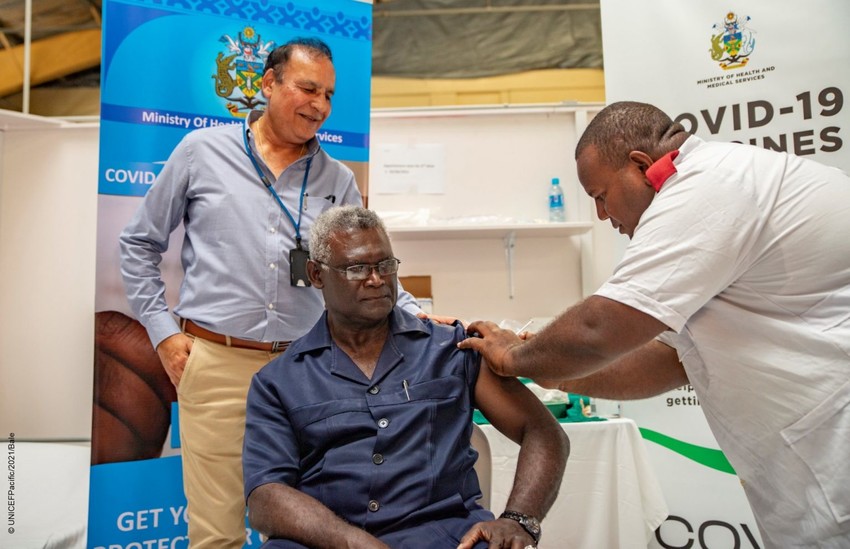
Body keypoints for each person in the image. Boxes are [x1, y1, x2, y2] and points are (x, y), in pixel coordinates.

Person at [458, 101, 850, 548]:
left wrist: (513, 356)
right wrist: (547, 370)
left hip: (834, 450)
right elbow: (666, 360)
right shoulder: (715, 207)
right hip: (805, 472)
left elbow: (599, 330)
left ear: (641, 166)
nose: (603, 216)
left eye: (600, 196)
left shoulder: (710, 185)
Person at [119, 38, 429, 548]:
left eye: (329, 94)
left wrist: (419, 315)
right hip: (217, 362)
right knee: (216, 533)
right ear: (268, 84)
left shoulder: (338, 179)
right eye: (308, 88)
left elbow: (363, 268)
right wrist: (163, 335)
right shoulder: (201, 152)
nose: (320, 105)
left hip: (312, 374)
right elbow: (138, 245)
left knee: (311, 527)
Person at [242, 205, 570, 549]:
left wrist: (519, 520)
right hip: (331, 540)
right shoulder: (277, 381)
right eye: (357, 268)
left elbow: (545, 433)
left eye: (385, 264)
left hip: (448, 535)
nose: (376, 279)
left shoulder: (453, 349)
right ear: (317, 274)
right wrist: (352, 542)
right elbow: (265, 495)